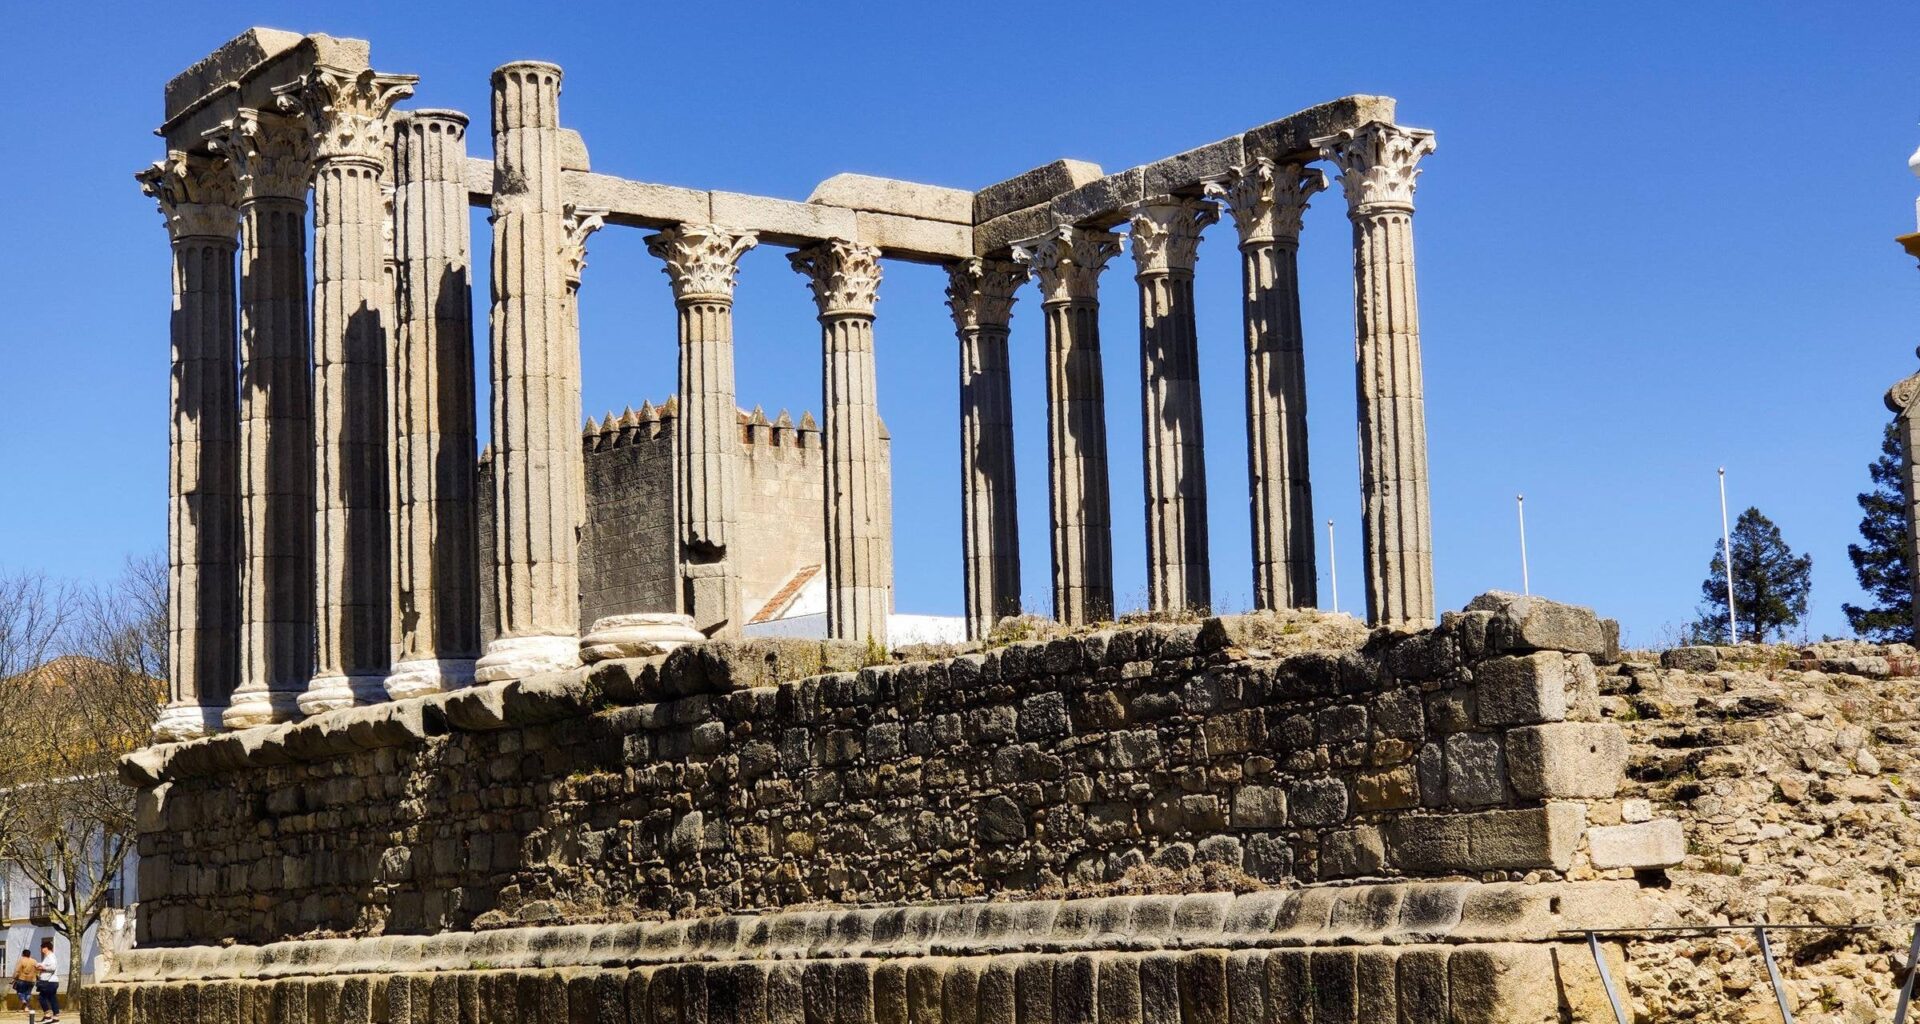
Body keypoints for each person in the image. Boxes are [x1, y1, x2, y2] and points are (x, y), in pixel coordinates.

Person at [30, 940, 53, 1024]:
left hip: (47, 980)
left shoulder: (50, 956)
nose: (41, 950)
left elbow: (52, 967)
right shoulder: (47, 957)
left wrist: (41, 967)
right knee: (44, 998)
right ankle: (48, 1015)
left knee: (42, 998)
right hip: (45, 979)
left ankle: (48, 1016)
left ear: (46, 948)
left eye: (42, 948)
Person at [9, 950, 34, 1024]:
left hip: (22, 979)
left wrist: (13, 979)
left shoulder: (21, 961)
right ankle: (26, 1008)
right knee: (28, 993)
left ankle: (23, 1001)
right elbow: (37, 970)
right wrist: (37, 978)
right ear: (30, 954)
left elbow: (17, 971)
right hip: (32, 980)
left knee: (20, 992)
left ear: (23, 954)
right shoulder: (34, 961)